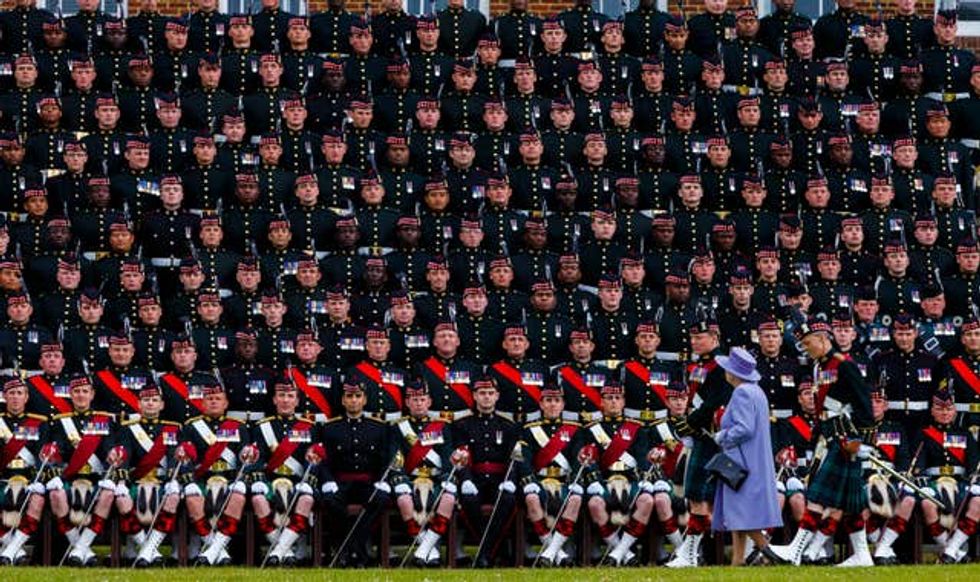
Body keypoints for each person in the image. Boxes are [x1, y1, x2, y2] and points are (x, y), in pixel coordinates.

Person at [711, 347, 784, 566]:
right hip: (754, 458)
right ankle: (737, 560)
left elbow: (744, 428)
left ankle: (768, 551)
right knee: (737, 511)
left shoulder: (741, 392)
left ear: (733, 374)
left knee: (741, 512)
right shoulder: (757, 391)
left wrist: (721, 436)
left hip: (740, 460)